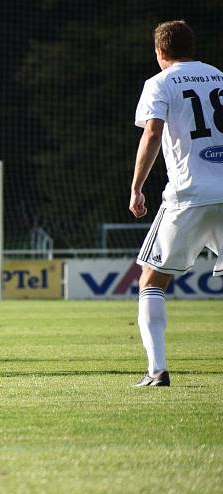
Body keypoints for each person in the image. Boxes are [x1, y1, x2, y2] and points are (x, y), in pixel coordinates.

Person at [130, 20, 223, 387]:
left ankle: (157, 370)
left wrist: (137, 187)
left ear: (159, 51)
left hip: (189, 194)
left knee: (152, 278)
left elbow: (152, 132)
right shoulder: (218, 76)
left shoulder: (160, 83)